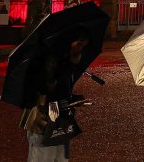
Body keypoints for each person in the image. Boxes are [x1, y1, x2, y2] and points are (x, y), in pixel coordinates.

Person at [22, 26, 92, 162]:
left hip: (60, 117)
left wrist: (72, 99)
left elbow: (62, 89)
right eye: (79, 45)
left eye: (83, 46)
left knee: (60, 157)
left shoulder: (65, 60)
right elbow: (47, 88)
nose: (80, 50)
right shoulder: (50, 58)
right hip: (45, 117)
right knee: (44, 157)